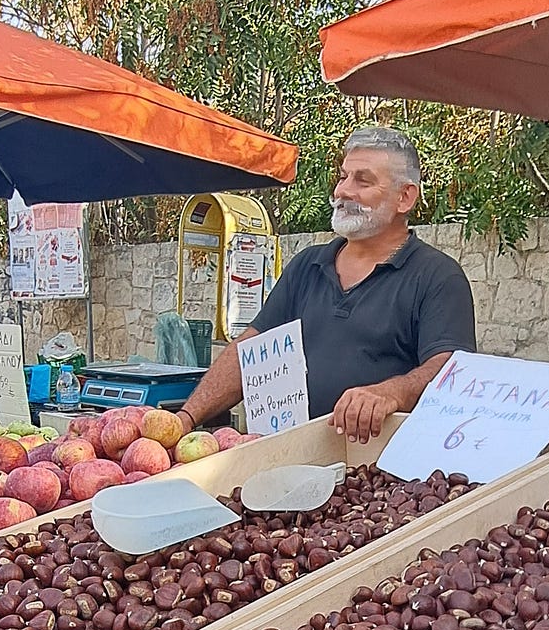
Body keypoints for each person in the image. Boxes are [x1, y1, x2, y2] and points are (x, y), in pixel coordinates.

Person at [176, 126, 476, 443]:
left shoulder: (437, 277)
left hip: (378, 481)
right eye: (344, 176)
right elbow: (248, 352)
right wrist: (185, 419)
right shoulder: (307, 266)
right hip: (290, 462)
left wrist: (392, 392)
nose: (342, 191)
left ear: (404, 197)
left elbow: (449, 369)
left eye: (363, 180)